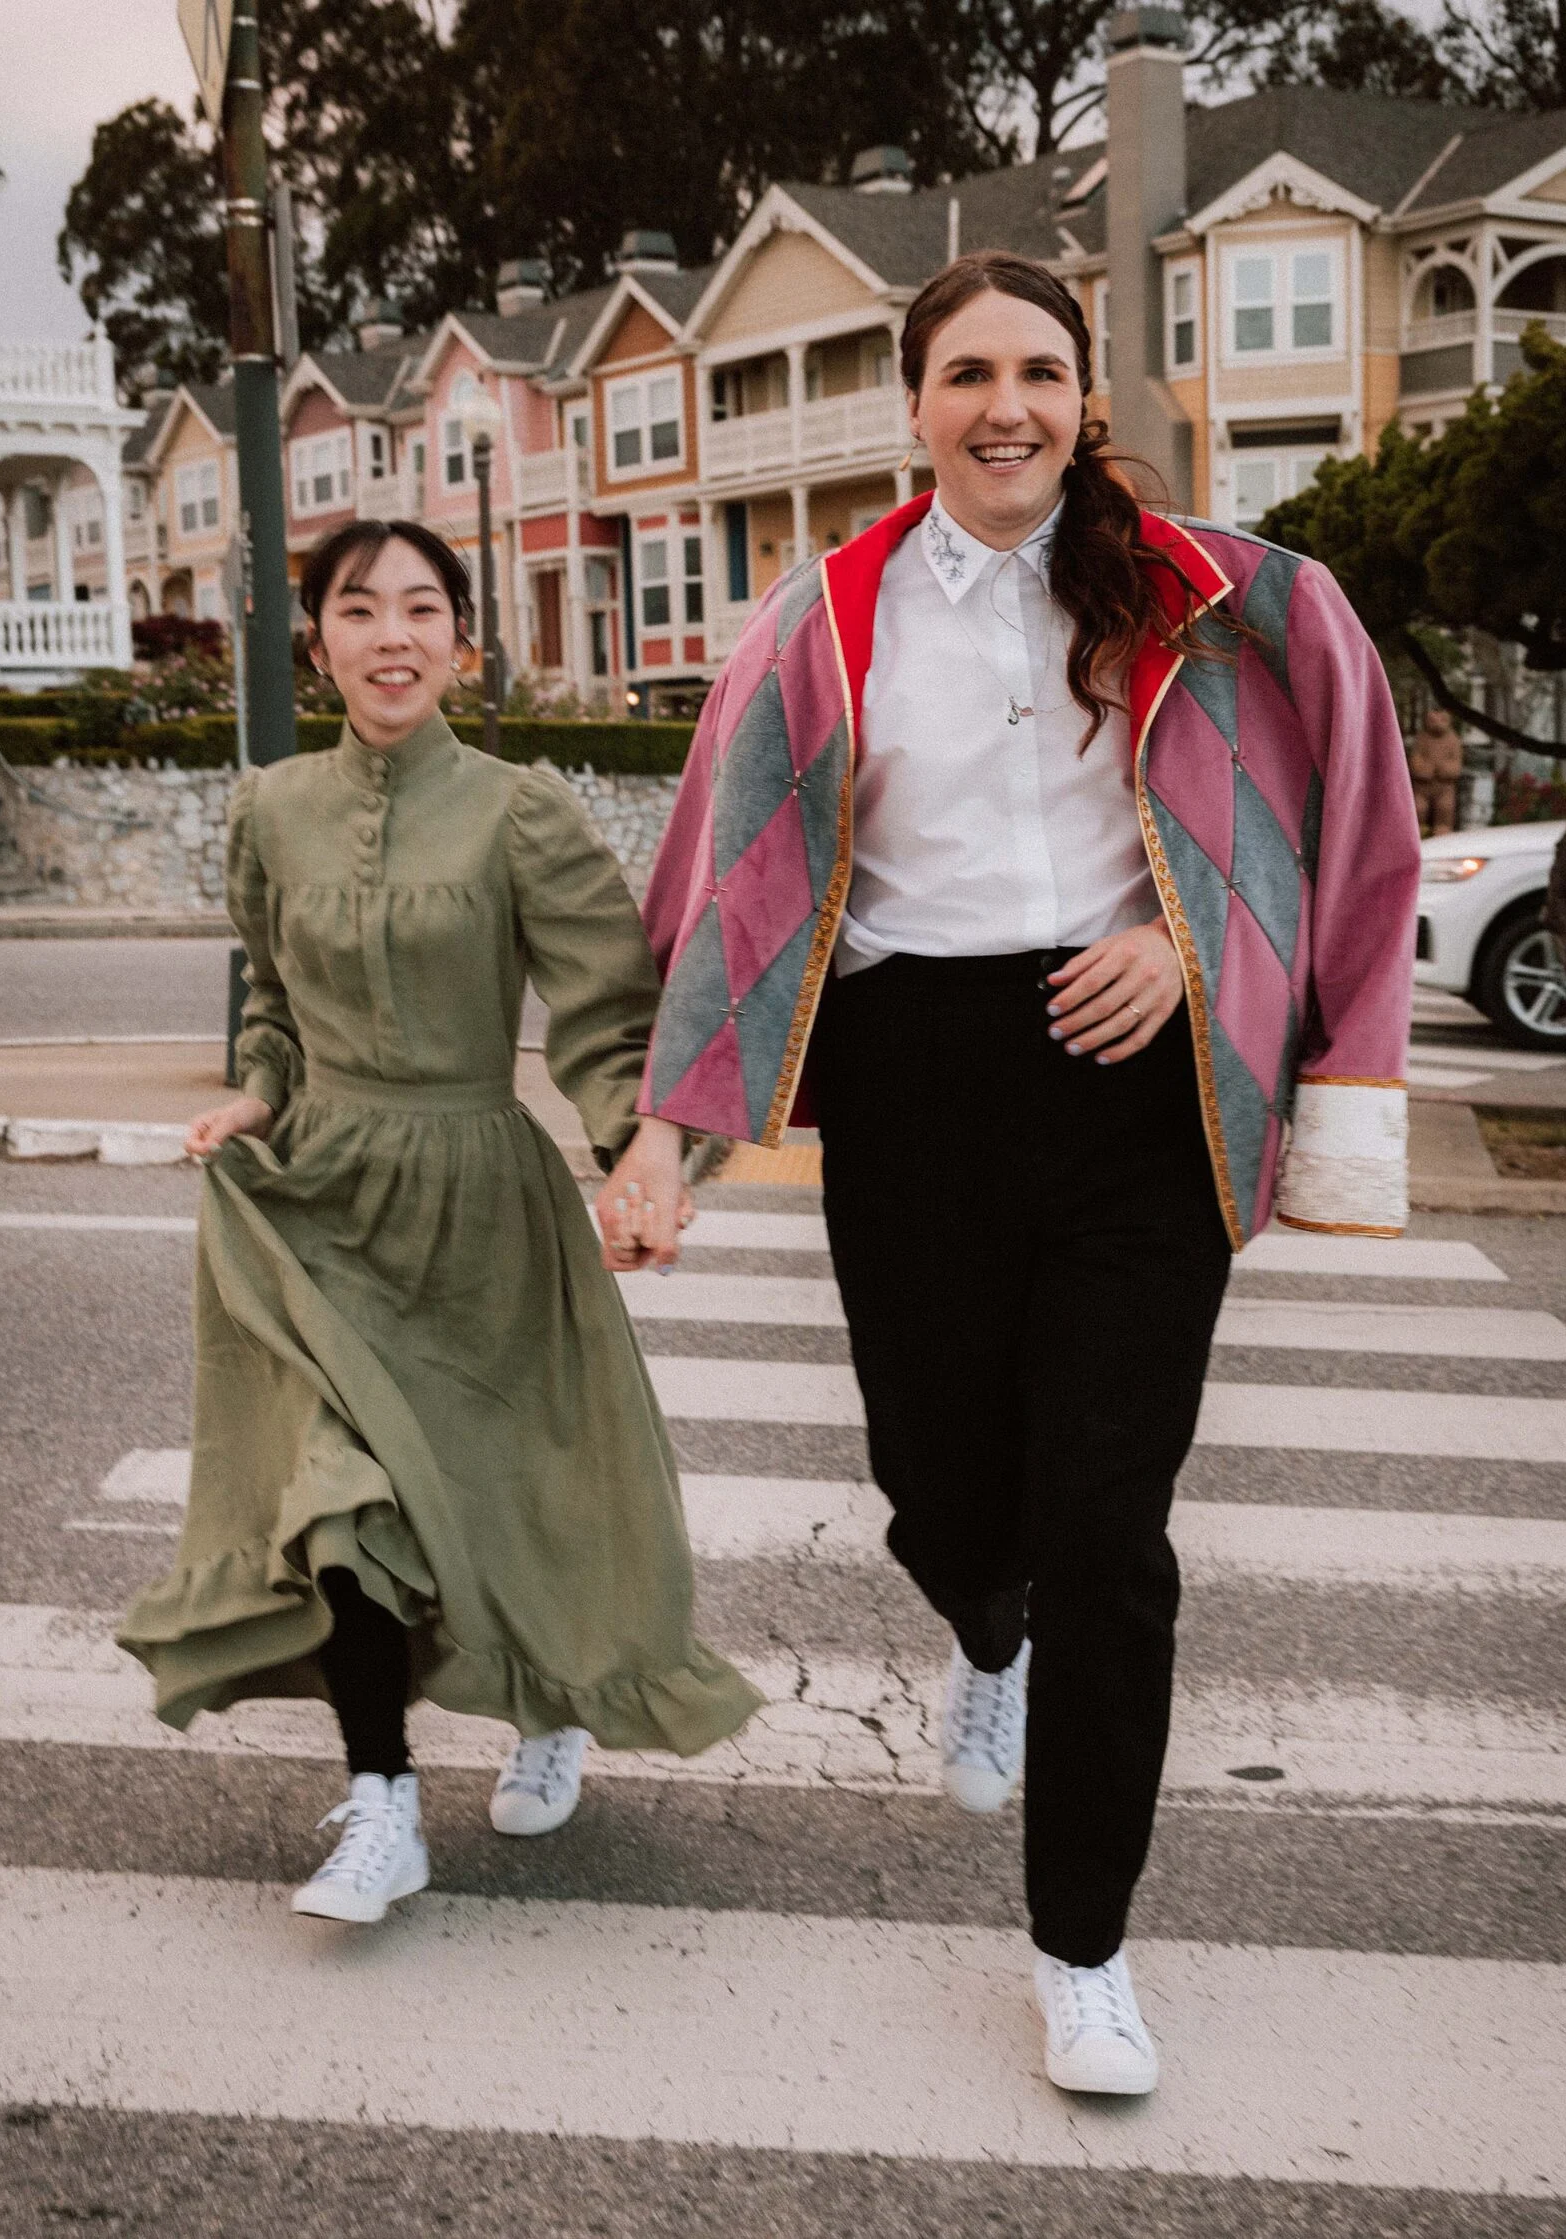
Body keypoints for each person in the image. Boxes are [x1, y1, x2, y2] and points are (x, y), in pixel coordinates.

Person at [607, 252, 1419, 2095]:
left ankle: (1086, 1949)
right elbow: (733, 881)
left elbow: (1340, 815)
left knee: (1113, 1529)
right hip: (915, 1083)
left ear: (1086, 392)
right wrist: (666, 1133)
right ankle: (986, 1618)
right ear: (914, 405)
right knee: (937, 1473)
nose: (1007, 405)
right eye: (966, 371)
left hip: (1141, 1093)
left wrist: (1198, 953)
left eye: (1039, 370)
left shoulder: (1220, 597)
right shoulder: (821, 617)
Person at [119, 518, 758, 1926]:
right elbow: (272, 997)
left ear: (461, 642)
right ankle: (384, 1803)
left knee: (508, 1493)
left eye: (421, 608)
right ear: (320, 639)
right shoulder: (268, 807)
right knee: (343, 1501)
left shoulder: (520, 808)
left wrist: (638, 1158)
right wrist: (257, 1096)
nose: (391, 633)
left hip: (480, 1195)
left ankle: (556, 1704)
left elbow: (604, 1010)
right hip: (324, 1200)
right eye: (360, 608)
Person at [1409, 706, 1464, 836]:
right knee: (1419, 808)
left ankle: (1443, 831)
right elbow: (1415, 761)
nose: (1438, 724)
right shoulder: (1421, 739)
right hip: (1422, 788)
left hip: (1445, 788)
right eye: (1433, 720)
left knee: (1445, 808)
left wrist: (1445, 769)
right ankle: (1418, 831)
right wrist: (1424, 769)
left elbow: (1456, 765)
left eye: (1442, 720)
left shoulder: (1453, 740)